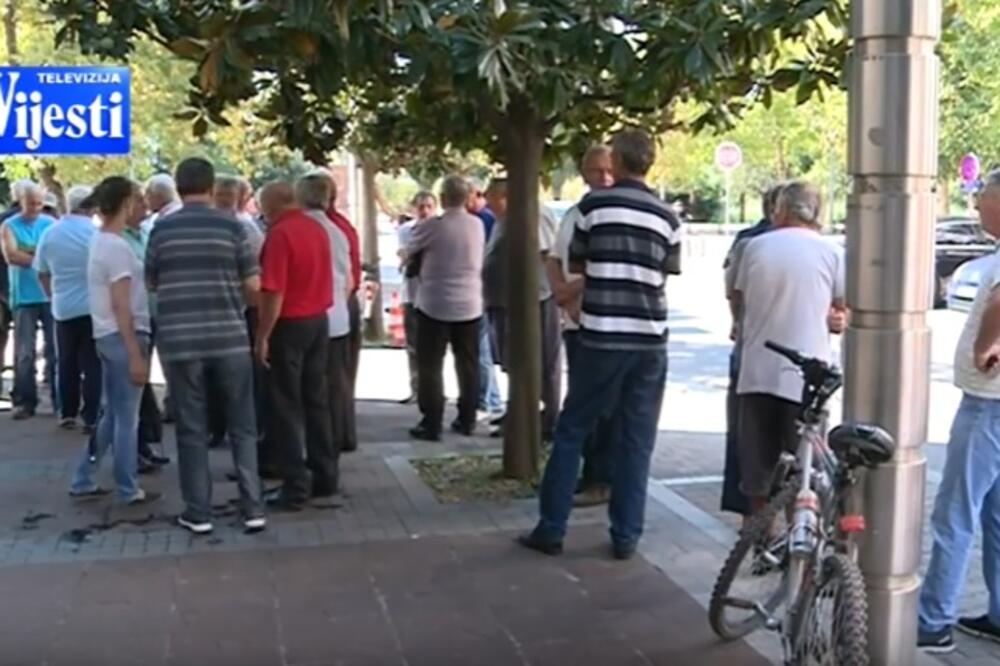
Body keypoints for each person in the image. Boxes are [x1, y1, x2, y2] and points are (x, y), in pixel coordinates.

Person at [520, 129, 681, 560]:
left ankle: (552, 528)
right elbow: (666, 271)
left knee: (573, 429)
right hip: (649, 338)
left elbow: (577, 265)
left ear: (619, 163)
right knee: (636, 439)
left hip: (601, 334)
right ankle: (626, 535)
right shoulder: (668, 217)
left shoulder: (592, 208)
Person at [146, 157, 265, 535]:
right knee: (242, 426)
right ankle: (253, 508)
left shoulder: (162, 230)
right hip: (229, 338)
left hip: (179, 341)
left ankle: (199, 512)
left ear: (178, 188)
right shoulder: (233, 227)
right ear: (212, 187)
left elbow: (152, 282)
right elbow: (253, 286)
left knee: (191, 428)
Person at [917, 170, 1000, 653]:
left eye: (981, 198)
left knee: (954, 514)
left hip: (987, 405)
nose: (975, 207)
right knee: (994, 517)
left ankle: (933, 620)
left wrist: (986, 345)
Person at [732, 182, 846, 518]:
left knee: (757, 470)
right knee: (805, 467)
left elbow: (739, 298)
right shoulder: (832, 253)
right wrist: (834, 317)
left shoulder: (753, 247)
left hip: (757, 370)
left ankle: (759, 533)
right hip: (809, 379)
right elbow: (841, 307)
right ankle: (800, 533)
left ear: (779, 211)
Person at [69, 177, 158, 505]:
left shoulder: (101, 241)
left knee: (113, 413)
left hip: (107, 334)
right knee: (126, 418)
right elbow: (122, 303)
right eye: (137, 199)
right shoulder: (117, 247)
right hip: (124, 335)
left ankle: (85, 475)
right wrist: (135, 353)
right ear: (126, 202)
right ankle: (126, 485)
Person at [255, 179, 337, 510]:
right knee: (316, 401)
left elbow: (274, 290)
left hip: (289, 324)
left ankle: (295, 485)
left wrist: (262, 335)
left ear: (271, 205)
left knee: (286, 405)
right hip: (318, 319)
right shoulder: (316, 228)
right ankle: (325, 475)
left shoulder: (280, 234)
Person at [545, 144, 616, 507]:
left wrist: (570, 294)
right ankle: (589, 475)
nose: (603, 177)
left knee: (602, 408)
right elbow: (554, 258)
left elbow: (606, 265)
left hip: (600, 321)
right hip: (574, 324)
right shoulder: (575, 213)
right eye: (595, 170)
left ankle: (601, 479)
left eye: (608, 170)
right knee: (581, 401)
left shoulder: (613, 213)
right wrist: (561, 292)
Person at [481, 178, 563, 440]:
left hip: (534, 299)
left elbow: (543, 254)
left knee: (541, 361)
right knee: (513, 361)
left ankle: (545, 419)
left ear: (505, 197)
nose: (487, 202)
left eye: (491, 197)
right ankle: (518, 410)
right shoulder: (505, 219)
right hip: (507, 301)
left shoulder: (532, 215)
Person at [718, 185, 782, 518]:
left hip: (749, 353)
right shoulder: (814, 244)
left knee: (746, 439)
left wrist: (737, 323)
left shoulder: (747, 241)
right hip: (792, 363)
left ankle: (752, 520)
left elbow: (733, 292)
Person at [405, 175, 484, 441]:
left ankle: (432, 421)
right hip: (470, 304)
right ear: (466, 198)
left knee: (430, 364)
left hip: (434, 304)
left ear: (442, 198)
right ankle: (467, 417)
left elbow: (409, 249)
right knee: (468, 364)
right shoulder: (476, 225)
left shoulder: (433, 226)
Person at [33, 185, 101, 432]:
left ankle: (67, 411)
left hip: (63, 307)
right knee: (93, 363)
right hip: (93, 306)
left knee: (66, 361)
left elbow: (41, 271)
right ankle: (92, 414)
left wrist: (52, 295)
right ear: (91, 206)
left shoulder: (51, 233)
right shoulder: (95, 234)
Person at [300, 172, 356, 459]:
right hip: (337, 317)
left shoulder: (301, 229)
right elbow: (349, 279)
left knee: (310, 390)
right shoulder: (339, 231)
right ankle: (335, 440)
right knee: (335, 384)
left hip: (307, 317)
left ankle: (318, 449)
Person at [121, 185, 170, 472]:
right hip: (132, 318)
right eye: (139, 200)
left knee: (142, 385)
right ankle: (133, 451)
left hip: (150, 314)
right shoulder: (118, 240)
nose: (145, 205)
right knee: (132, 387)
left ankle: (143, 446)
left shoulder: (144, 234)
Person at [1, 181, 57, 420]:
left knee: (55, 349)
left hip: (49, 294)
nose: (35, 208)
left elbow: (55, 254)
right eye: (31, 203)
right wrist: (40, 257)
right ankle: (25, 401)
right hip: (24, 296)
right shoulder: (9, 225)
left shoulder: (50, 224)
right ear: (20, 202)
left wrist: (29, 252)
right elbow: (12, 256)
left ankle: (60, 400)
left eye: (39, 203)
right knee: (25, 352)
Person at [324, 180, 362, 452]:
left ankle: (336, 436)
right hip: (347, 300)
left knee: (334, 378)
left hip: (336, 302)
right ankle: (344, 434)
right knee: (343, 377)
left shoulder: (328, 227)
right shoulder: (343, 225)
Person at [468, 178, 503, 420]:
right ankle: (491, 398)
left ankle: (487, 399)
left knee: (481, 349)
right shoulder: (489, 219)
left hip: (483, 292)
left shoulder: (484, 220)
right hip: (483, 290)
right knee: (483, 349)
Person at [397, 190, 437, 404]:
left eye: (429, 207)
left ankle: (433, 389)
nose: (425, 211)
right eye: (421, 207)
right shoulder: (406, 230)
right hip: (412, 294)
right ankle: (417, 388)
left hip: (432, 295)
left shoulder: (440, 230)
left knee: (433, 347)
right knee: (413, 346)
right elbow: (404, 255)